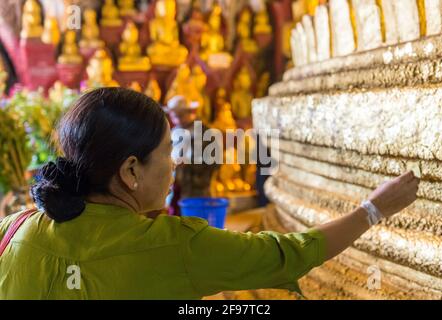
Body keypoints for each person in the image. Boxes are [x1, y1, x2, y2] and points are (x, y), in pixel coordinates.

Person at [0, 87, 419, 299]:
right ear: (131, 169)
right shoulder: (173, 246)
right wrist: (375, 208)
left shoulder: (14, 227)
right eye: (167, 152)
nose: (176, 164)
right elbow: (290, 253)